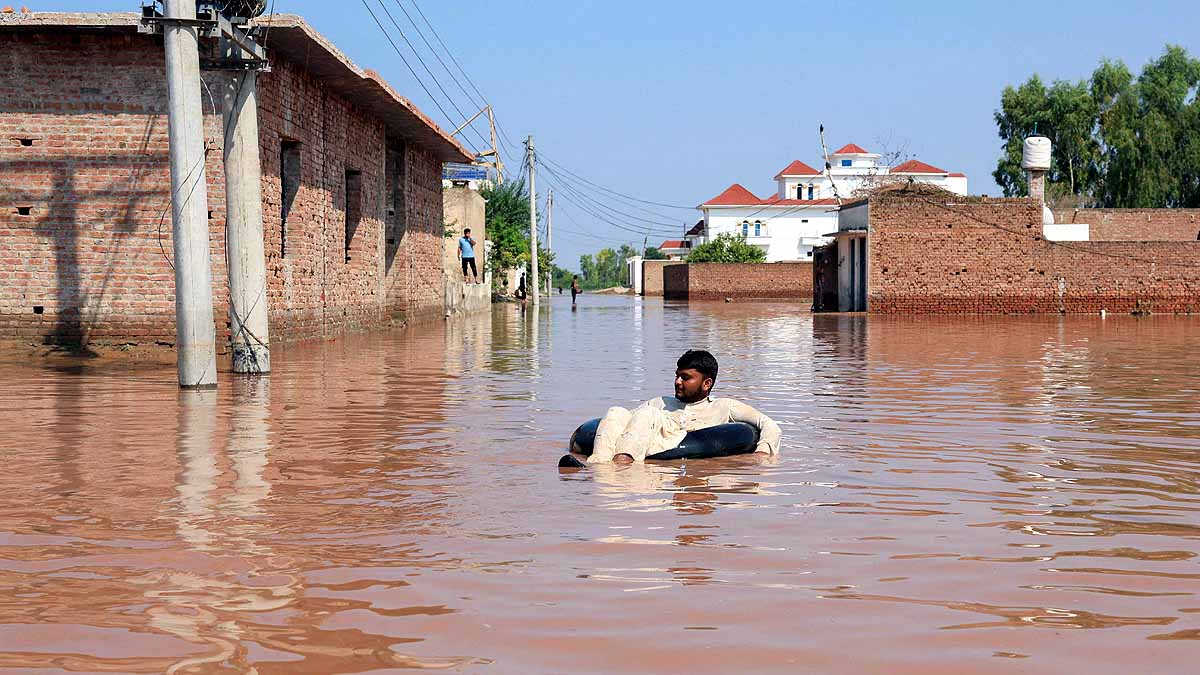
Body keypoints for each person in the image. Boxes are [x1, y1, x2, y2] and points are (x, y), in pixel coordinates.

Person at [588, 350, 781, 464]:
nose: (677, 382)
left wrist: (762, 453)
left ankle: (622, 464)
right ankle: (599, 468)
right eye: (677, 375)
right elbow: (626, 425)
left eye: (685, 378)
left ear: (706, 383)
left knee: (648, 413)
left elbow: (769, 424)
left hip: (680, 445)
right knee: (616, 411)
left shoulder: (724, 407)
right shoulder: (661, 402)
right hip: (649, 444)